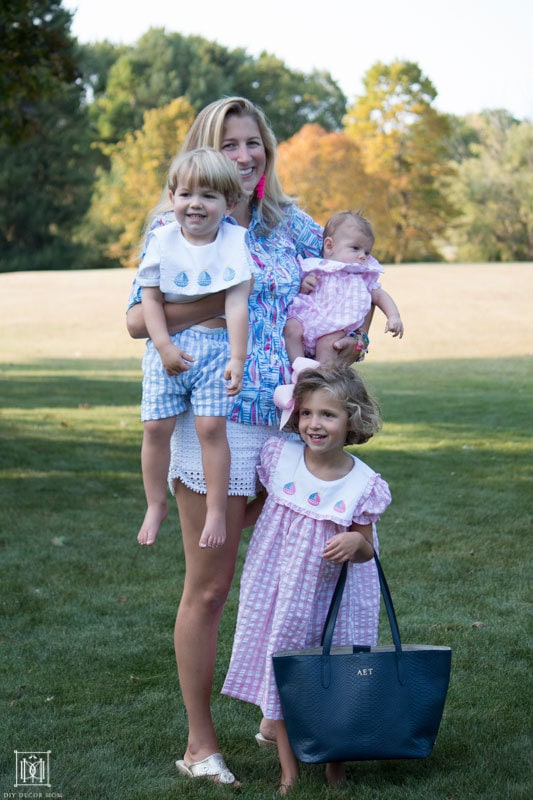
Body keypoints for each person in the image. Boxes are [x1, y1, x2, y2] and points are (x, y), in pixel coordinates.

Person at [126, 97, 368, 787]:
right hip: (216, 416)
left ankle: (274, 717)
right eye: (228, 142)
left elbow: (341, 286)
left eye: (252, 141)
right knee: (210, 585)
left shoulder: (291, 224)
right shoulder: (178, 220)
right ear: (206, 148)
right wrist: (229, 292)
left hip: (290, 422)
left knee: (296, 569)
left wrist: (350, 338)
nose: (243, 154)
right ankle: (200, 744)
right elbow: (137, 324)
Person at [222, 363, 392, 792]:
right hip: (280, 589)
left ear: (352, 419)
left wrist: (355, 545)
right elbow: (257, 509)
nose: (315, 424)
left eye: (328, 415)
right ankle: (289, 771)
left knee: (336, 671)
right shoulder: (280, 458)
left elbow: (368, 548)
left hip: (338, 595)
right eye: (307, 414)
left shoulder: (363, 484)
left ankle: (336, 768)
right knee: (284, 667)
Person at [136, 147, 253, 549]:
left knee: (211, 428)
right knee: (155, 427)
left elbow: (237, 302)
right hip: (168, 351)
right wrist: (165, 346)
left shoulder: (235, 242)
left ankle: (217, 510)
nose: (195, 204)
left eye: (208, 195)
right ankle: (155, 504)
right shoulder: (162, 240)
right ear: (172, 199)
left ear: (229, 203)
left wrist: (238, 357)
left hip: (217, 349)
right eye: (186, 194)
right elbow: (149, 299)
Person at [284, 210, 404, 365]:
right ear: (329, 246)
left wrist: (394, 316)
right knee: (291, 328)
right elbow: (301, 296)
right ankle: (299, 367)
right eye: (355, 248)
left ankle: (318, 377)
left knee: (329, 344)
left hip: (334, 325)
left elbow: (379, 295)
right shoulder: (317, 267)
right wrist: (305, 286)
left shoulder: (361, 276)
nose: (362, 256)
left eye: (366, 252)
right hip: (309, 320)